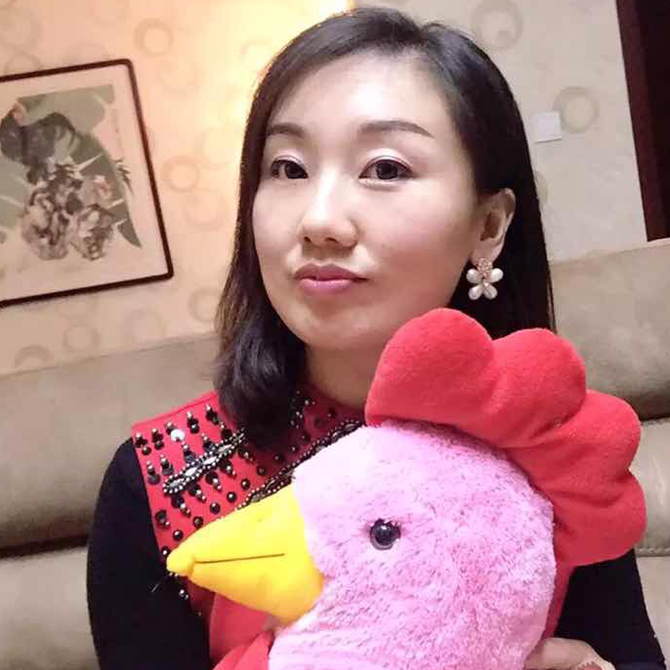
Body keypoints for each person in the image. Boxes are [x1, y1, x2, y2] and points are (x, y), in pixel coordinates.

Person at [86, 7, 666, 670]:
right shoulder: (164, 482)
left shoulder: (542, 442)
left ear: (488, 226)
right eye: (288, 168)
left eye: (385, 169)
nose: (320, 219)